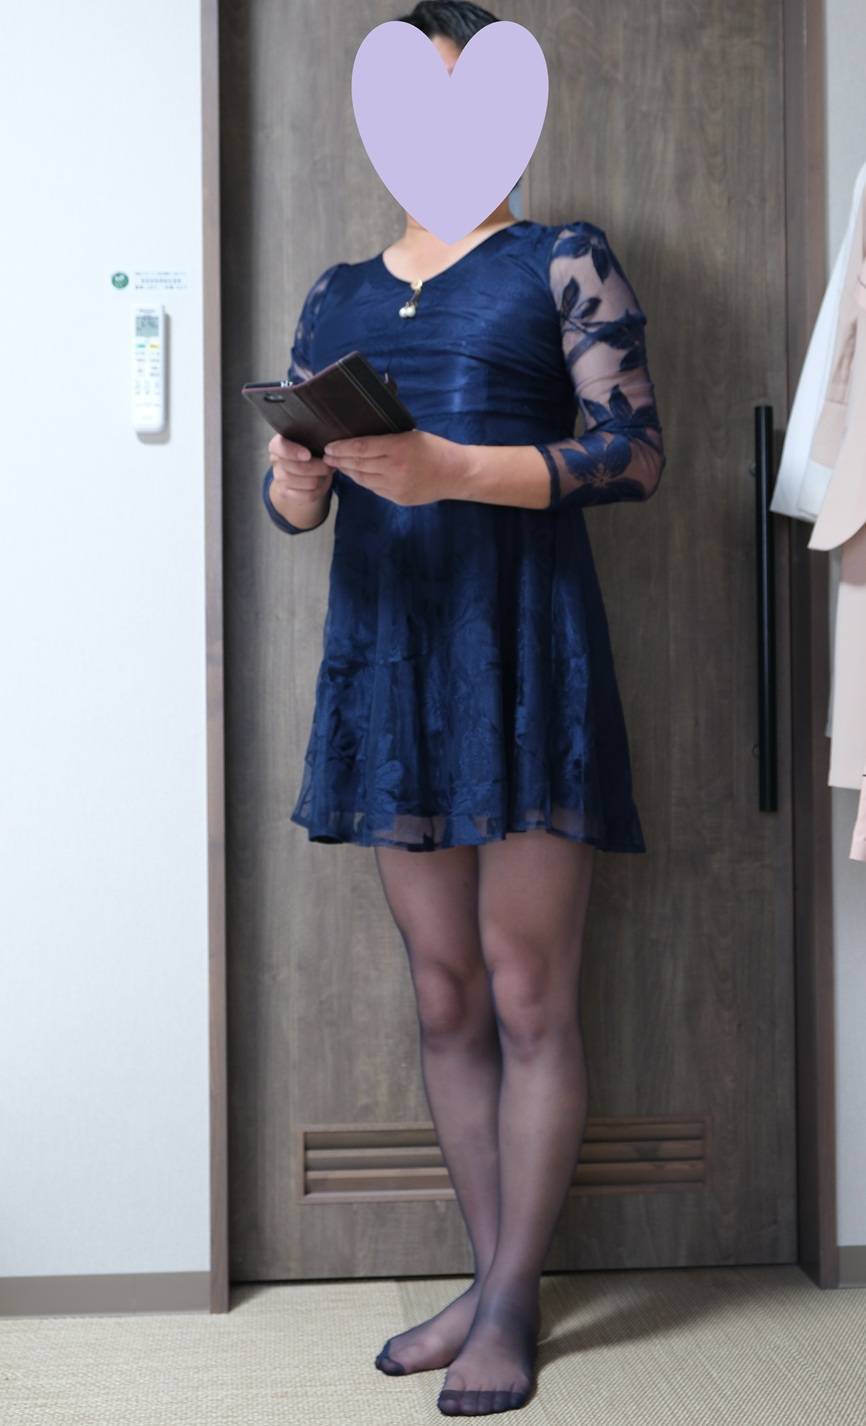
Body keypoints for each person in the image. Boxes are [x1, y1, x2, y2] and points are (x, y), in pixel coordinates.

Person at [261, 1, 666, 1413]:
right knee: (442, 995)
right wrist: (295, 481)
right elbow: (295, 505)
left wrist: (450, 469)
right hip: (389, 664)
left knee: (528, 986)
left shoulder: (561, 259)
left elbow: (633, 455)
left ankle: (508, 1307)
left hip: (525, 651)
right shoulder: (334, 292)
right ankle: (488, 1279)